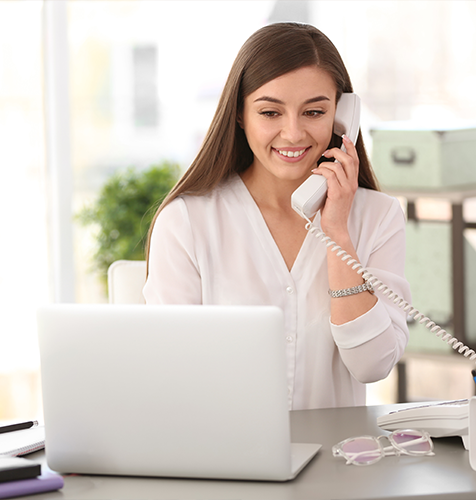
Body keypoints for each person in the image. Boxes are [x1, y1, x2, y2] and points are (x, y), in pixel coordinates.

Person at [142, 22, 409, 410]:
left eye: (314, 111)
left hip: (340, 462)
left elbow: (372, 364)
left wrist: (336, 232)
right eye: (270, 112)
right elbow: (169, 373)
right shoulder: (187, 222)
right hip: (225, 457)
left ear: (342, 116)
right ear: (239, 114)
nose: (293, 133)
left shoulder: (378, 217)